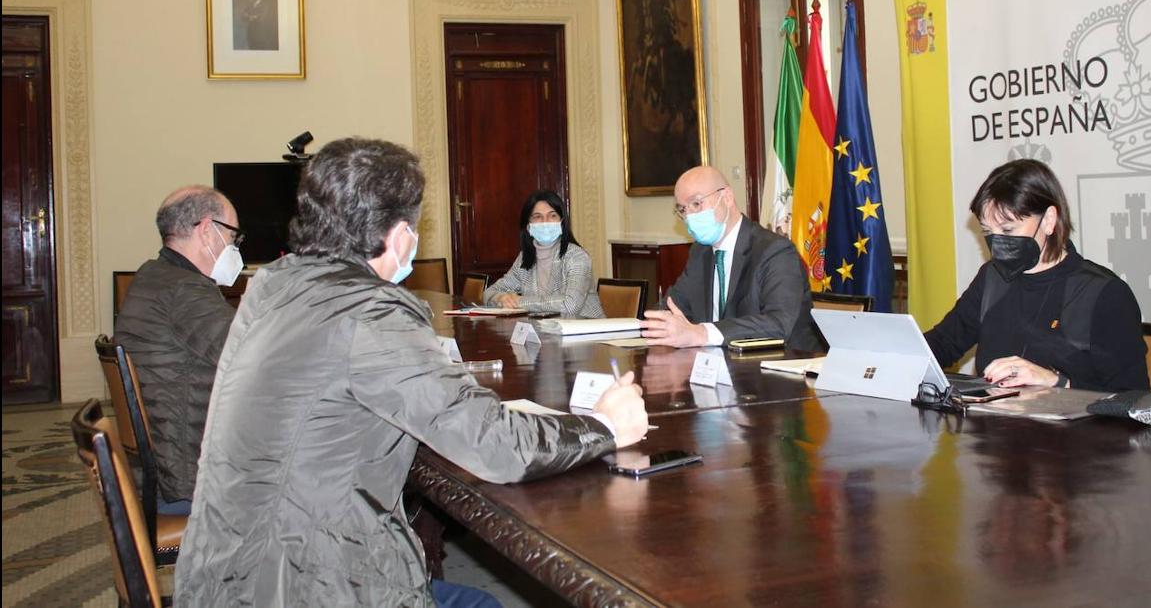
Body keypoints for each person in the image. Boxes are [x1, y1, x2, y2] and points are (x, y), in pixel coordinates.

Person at [175, 138, 648, 607]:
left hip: (228, 570)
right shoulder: (369, 312)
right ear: (400, 235)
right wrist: (602, 426)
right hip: (305, 581)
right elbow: (494, 446)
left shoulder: (273, 286)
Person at [924, 159, 1148, 392]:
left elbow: (1132, 398)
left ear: (1049, 220)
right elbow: (944, 343)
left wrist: (1055, 381)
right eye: (988, 232)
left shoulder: (1104, 293)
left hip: (1074, 428)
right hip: (991, 425)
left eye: (1008, 229)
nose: (997, 242)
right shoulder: (992, 278)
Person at [113, 185, 244, 515]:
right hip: (187, 478)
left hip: (160, 468)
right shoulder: (185, 291)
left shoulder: (153, 276)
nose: (235, 247)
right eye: (233, 236)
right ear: (207, 231)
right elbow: (254, 358)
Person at [640, 165, 819, 349]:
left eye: (696, 203)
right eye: (682, 210)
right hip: (720, 367)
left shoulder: (775, 251)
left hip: (780, 366)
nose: (689, 217)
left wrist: (701, 333)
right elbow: (673, 306)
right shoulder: (700, 252)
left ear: (726, 197)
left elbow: (778, 324)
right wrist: (642, 326)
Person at [483, 190, 605, 318]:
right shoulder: (525, 258)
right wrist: (501, 298)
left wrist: (520, 301)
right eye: (537, 217)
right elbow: (488, 293)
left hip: (585, 331)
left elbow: (570, 304)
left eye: (552, 216)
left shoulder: (577, 257)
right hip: (544, 330)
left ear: (562, 222)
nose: (545, 222)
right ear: (528, 226)